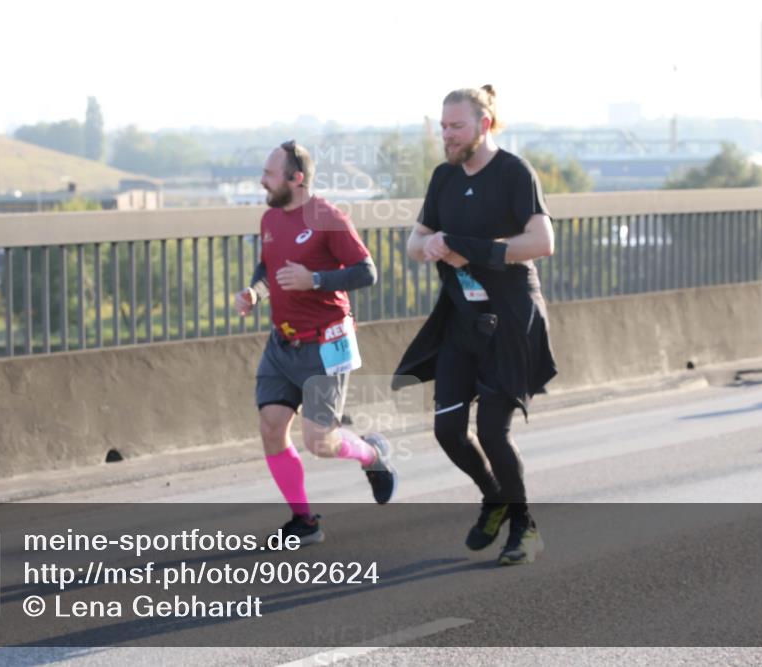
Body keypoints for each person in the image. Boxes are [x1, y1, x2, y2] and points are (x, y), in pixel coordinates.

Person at [394, 86, 557, 565]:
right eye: (443, 126)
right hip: (461, 319)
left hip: (510, 318)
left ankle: (524, 527)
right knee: (447, 430)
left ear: (484, 125)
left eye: (456, 126)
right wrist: (426, 247)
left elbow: (542, 241)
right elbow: (415, 238)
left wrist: (478, 250)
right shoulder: (444, 176)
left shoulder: (513, 171)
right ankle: (495, 498)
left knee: (491, 431)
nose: (446, 135)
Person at [235, 140, 398, 545]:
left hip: (324, 345)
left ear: (296, 178)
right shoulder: (271, 218)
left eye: (270, 175)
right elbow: (266, 266)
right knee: (271, 428)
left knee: (320, 443)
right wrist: (256, 292)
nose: (262, 181)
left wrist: (316, 280)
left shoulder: (328, 218)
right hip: (282, 343)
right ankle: (305, 522)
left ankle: (372, 454)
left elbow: (367, 272)